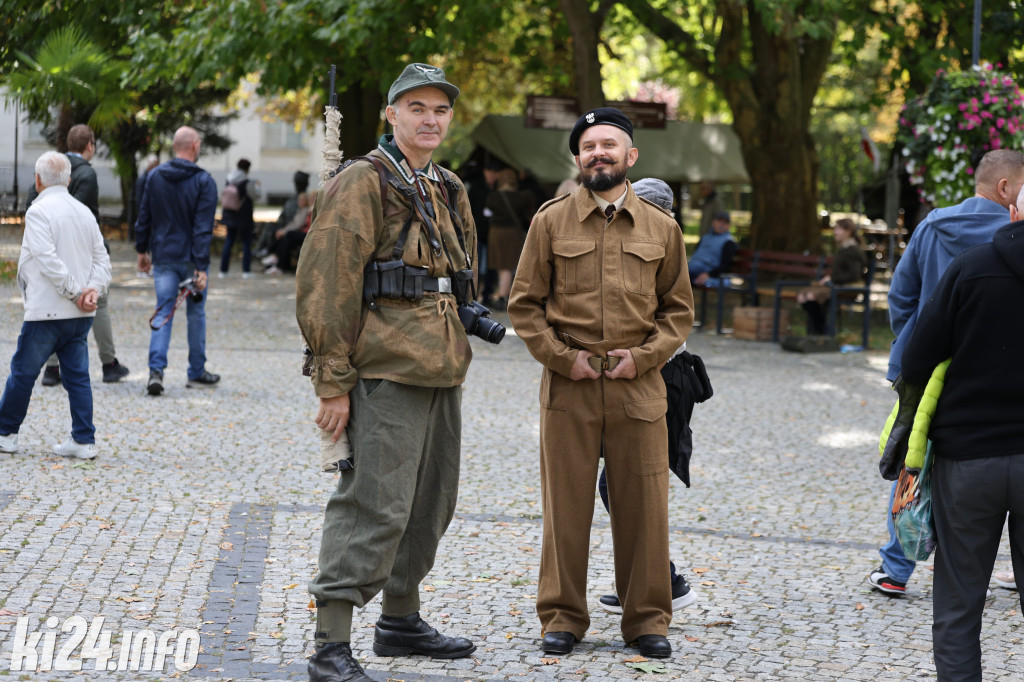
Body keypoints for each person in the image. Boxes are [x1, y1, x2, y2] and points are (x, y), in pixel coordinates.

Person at [296, 63, 478, 682]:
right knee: (373, 504)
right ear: (391, 115)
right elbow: (327, 282)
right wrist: (332, 381)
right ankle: (330, 644)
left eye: (441, 110)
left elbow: (461, 275)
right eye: (418, 108)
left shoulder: (447, 186)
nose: (431, 120)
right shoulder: (362, 182)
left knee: (429, 505)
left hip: (441, 364)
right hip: (384, 369)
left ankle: (400, 621)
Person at [508, 108, 694, 659]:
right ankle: (563, 616)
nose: (599, 153)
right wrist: (565, 360)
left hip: (640, 387)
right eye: (589, 146)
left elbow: (678, 311)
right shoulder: (550, 221)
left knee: (643, 507)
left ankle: (646, 620)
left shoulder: (662, 228)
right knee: (565, 507)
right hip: (571, 386)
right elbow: (524, 305)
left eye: (609, 145)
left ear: (630, 156)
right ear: (577, 158)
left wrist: (645, 358)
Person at [869, 149, 1024, 596]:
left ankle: (896, 569)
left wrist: (915, 343)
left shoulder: (934, 223)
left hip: (923, 368)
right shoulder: (1012, 236)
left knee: (913, 459)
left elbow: (901, 294)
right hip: (989, 369)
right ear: (1004, 188)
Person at [899, 184, 1024, 681]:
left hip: (968, 457)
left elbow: (916, 357)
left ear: (1012, 211)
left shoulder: (971, 267)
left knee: (958, 601)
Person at [592, 177, 699, 616]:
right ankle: (648, 579)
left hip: (664, 379)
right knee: (622, 480)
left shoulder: (657, 250)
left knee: (631, 481)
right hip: (648, 376)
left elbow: (666, 322)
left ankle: (663, 581)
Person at [0, 152, 111, 460]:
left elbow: (46, 259)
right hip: (79, 313)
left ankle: (6, 432)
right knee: (77, 376)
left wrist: (76, 291)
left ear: (37, 180)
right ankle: (84, 439)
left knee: (23, 372)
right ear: (70, 180)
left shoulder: (38, 212)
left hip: (48, 309)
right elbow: (102, 260)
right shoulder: (84, 212)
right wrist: (92, 290)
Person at [27, 124, 130, 386]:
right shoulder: (86, 174)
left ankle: (52, 369)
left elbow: (33, 200)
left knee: (54, 302)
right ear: (90, 145)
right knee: (99, 303)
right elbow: (82, 214)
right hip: (83, 248)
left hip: (52, 245)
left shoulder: (51, 169)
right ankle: (108, 363)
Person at [135, 126, 221, 396]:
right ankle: (196, 372)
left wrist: (142, 250)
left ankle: (156, 371)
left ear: (175, 146)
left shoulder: (154, 176)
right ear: (194, 145)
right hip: (191, 259)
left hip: (163, 255)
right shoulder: (204, 181)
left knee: (163, 311)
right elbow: (202, 227)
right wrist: (200, 265)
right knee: (196, 314)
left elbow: (144, 215)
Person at [795, 218, 867, 335]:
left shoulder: (853, 250)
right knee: (802, 296)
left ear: (848, 231)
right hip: (836, 285)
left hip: (847, 287)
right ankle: (819, 329)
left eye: (838, 229)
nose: (835, 232)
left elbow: (853, 275)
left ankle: (822, 330)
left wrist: (831, 280)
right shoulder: (843, 249)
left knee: (811, 295)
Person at [483, 168, 531, 310]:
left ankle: (503, 295)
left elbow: (486, 213)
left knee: (501, 265)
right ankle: (505, 295)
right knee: (508, 265)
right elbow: (525, 217)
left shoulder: (493, 196)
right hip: (513, 233)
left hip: (496, 232)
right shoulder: (519, 197)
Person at [218, 158, 262, 279]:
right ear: (247, 168)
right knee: (246, 242)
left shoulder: (229, 178)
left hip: (229, 213)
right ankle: (246, 271)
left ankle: (223, 271)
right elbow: (256, 195)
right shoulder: (247, 181)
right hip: (243, 215)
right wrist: (257, 186)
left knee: (229, 241)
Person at [256, 170, 310, 258]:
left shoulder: (305, 199)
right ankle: (263, 250)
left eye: (299, 183)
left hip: (293, 228)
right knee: (270, 226)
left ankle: (267, 252)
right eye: (296, 183)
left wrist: (284, 229)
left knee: (275, 230)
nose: (297, 185)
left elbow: (298, 223)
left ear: (305, 184)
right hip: (286, 225)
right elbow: (282, 216)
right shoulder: (291, 200)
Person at [262, 190, 314, 274]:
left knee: (288, 235)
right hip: (303, 233)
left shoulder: (308, 210)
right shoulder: (305, 210)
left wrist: (284, 231)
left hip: (307, 234)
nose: (300, 202)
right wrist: (283, 230)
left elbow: (298, 224)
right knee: (285, 237)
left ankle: (274, 256)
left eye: (303, 200)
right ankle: (275, 259)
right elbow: (293, 223)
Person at [687, 210, 736, 286]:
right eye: (719, 221)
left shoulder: (728, 242)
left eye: (725, 222)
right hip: (691, 269)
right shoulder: (705, 238)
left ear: (729, 226)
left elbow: (726, 265)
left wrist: (708, 274)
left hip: (706, 273)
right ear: (713, 222)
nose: (722, 224)